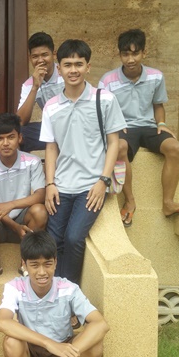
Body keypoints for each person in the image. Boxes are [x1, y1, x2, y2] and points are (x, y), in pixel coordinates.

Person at [41, 39, 126, 284]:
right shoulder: (51, 106)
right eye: (67, 65)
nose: (73, 70)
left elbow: (114, 143)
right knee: (53, 240)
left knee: (74, 238)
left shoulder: (105, 99)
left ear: (88, 67)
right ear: (59, 69)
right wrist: (50, 184)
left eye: (79, 64)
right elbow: (51, 148)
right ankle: (54, 292)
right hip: (61, 185)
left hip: (91, 186)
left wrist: (103, 181)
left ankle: (69, 291)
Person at [98, 29, 179, 226]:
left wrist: (161, 124)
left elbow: (158, 105)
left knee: (175, 147)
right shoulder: (107, 80)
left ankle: (168, 203)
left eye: (135, 53)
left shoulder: (156, 77)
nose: (130, 59)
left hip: (149, 126)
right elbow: (103, 111)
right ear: (119, 55)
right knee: (119, 148)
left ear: (144, 53)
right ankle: (130, 202)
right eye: (125, 54)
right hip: (123, 128)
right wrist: (115, 126)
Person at [0, 113, 47, 283]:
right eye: (0, 138)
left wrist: (10, 205)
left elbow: (40, 195)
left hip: (25, 221)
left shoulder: (33, 162)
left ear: (19, 138)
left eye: (11, 137)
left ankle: (26, 261)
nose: (5, 143)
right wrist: (15, 227)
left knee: (40, 211)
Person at [16, 32, 64, 152]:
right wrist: (35, 87)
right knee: (16, 134)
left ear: (54, 54)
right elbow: (21, 121)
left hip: (73, 125)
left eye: (44, 55)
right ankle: (27, 164)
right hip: (50, 128)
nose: (40, 60)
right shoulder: (28, 84)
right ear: (30, 58)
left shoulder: (65, 73)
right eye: (35, 56)